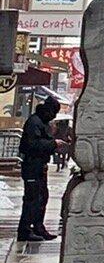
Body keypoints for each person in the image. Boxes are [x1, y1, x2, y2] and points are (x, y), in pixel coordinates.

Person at [18, 93, 59, 243]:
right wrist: (54, 144)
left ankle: (37, 226)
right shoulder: (34, 122)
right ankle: (25, 230)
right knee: (32, 199)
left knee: (42, 197)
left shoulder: (40, 122)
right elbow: (32, 145)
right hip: (32, 166)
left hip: (39, 166)